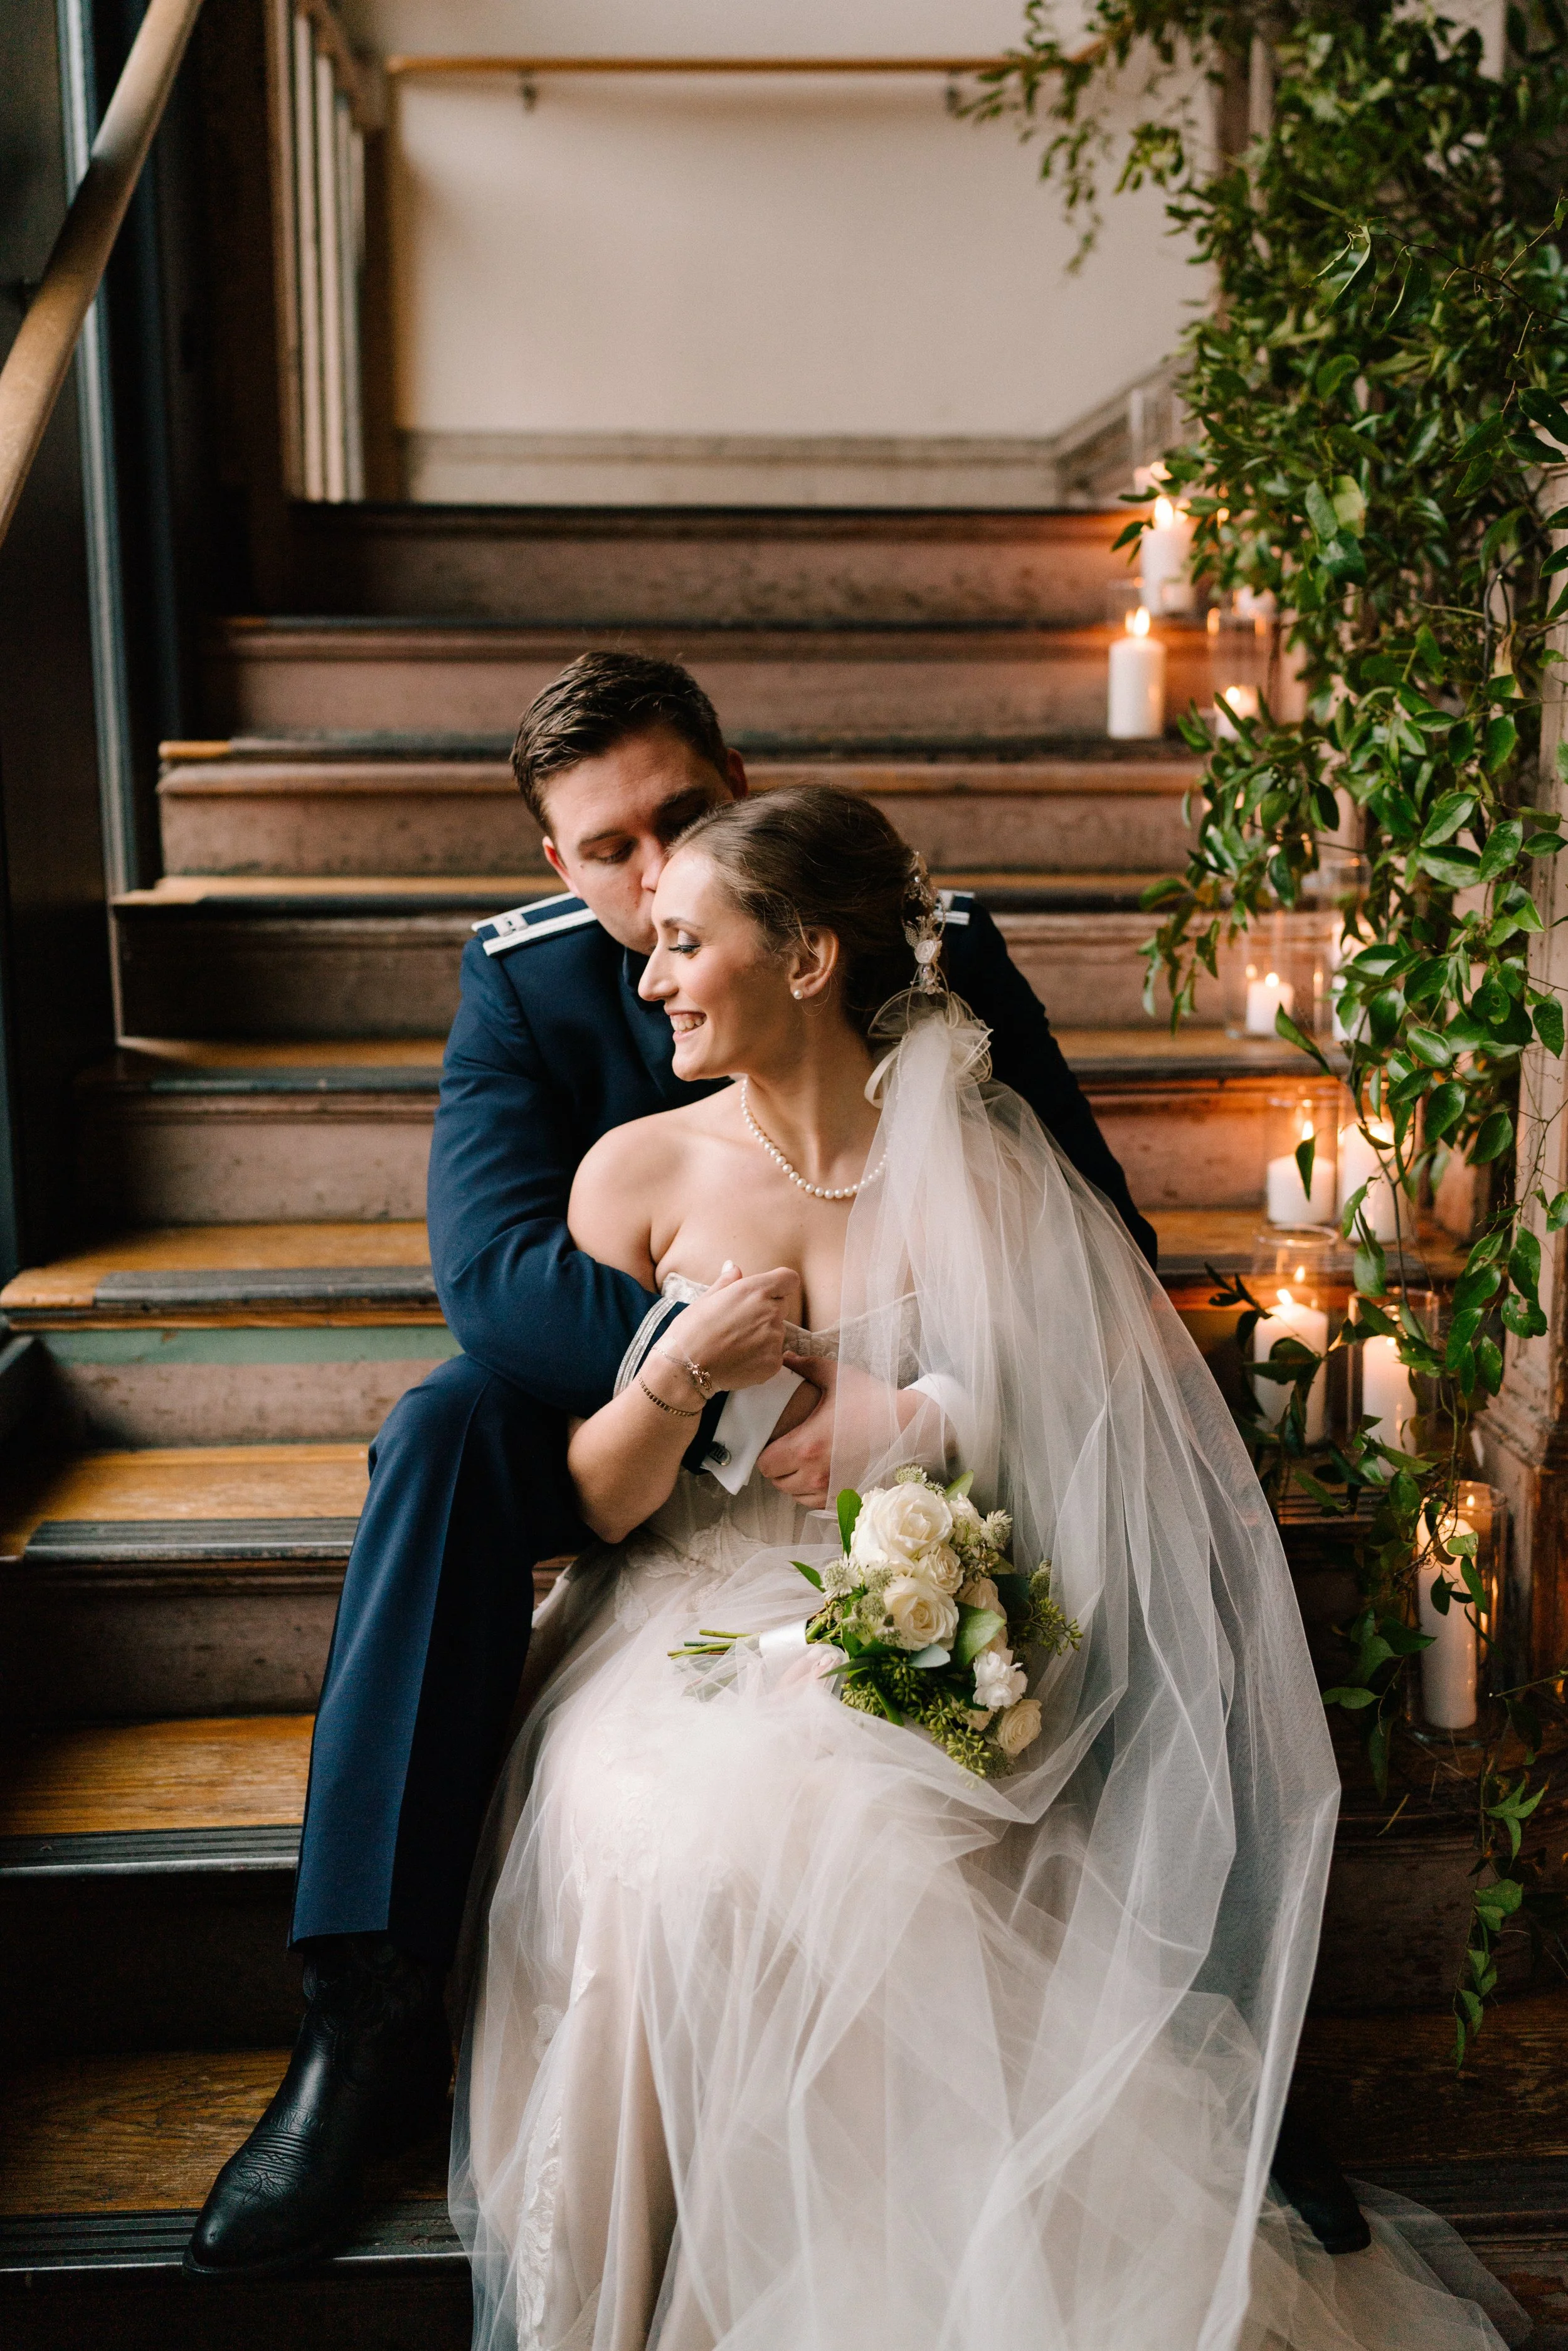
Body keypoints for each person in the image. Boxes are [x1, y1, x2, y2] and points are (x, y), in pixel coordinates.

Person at [448, 785, 1520, 2351]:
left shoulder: (991, 1168)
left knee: (893, 1844)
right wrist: (675, 1382)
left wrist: (920, 1418)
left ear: (805, 958)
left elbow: (1096, 1443)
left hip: (930, 1602)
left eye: (686, 941)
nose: (651, 975)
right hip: (677, 1612)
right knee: (691, 1843)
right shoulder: (634, 1175)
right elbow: (596, 1513)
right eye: (651, 940)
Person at [186, 653, 1173, 2279]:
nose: (653, 883)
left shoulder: (921, 937)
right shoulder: (523, 981)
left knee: (1109, 1484)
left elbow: (1093, 1247)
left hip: (898, 1413)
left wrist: (914, 1394)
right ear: (551, 868)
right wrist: (737, 1381)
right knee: (437, 1427)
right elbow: (497, 1278)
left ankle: (1185, 1976)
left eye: (683, 819)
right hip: (631, 1376)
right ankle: (360, 2015)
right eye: (602, 848)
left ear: (743, 777)